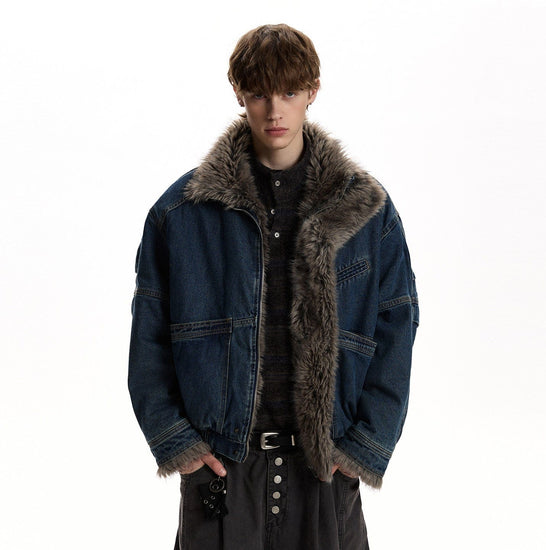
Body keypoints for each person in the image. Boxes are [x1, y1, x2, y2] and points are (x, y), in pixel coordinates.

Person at [128, 23, 419, 550]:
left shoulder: (366, 210)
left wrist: (365, 446)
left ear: (313, 91)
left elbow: (397, 325)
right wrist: (177, 442)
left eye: (289, 92)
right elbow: (148, 333)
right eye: (260, 93)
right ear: (238, 93)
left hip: (324, 468)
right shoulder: (182, 213)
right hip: (223, 468)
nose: (274, 110)